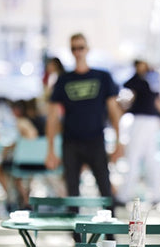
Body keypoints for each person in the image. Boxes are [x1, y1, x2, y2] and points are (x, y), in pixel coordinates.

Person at [45, 33, 123, 204]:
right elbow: (52, 117)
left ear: (87, 49)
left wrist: (119, 141)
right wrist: (50, 150)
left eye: (81, 47)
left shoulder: (102, 77)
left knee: (105, 190)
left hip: (95, 140)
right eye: (74, 48)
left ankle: (109, 230)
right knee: (72, 193)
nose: (78, 52)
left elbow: (114, 111)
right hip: (71, 142)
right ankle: (75, 231)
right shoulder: (64, 80)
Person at [117, 59, 160, 206]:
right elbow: (127, 84)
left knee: (136, 157)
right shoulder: (144, 79)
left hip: (145, 121)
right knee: (145, 157)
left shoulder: (150, 78)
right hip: (145, 120)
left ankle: (126, 195)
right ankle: (152, 194)